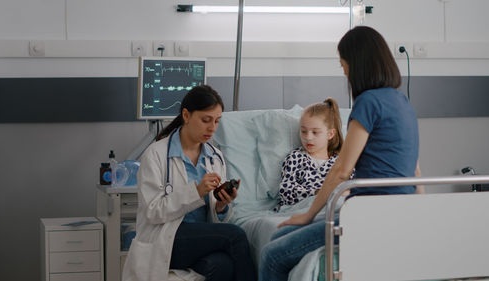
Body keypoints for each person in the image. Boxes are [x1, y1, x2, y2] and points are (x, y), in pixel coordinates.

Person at [259, 26, 421, 281]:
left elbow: (342, 171)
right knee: (278, 236)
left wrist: (309, 214)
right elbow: (415, 170)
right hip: (394, 210)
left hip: (369, 215)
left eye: (342, 63)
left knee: (272, 254)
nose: (343, 70)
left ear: (356, 63)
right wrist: (421, 213)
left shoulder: (368, 102)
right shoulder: (403, 102)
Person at [122, 85, 256, 281]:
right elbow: (153, 211)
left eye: (217, 121)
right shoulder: (156, 154)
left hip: (198, 241)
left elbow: (215, 220)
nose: (212, 128)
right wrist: (196, 190)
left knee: (221, 266)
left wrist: (221, 206)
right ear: (186, 115)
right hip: (167, 237)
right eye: (206, 120)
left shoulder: (214, 157)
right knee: (235, 236)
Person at [274, 98, 349, 212]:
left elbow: (353, 189)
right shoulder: (296, 158)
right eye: (303, 131)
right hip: (301, 210)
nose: (308, 137)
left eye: (315, 132)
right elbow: (286, 191)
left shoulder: (341, 162)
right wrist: (317, 192)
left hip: (334, 210)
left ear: (330, 134)